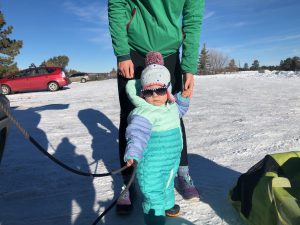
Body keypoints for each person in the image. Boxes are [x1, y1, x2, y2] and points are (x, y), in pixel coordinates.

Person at [108, 0, 205, 213]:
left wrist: (189, 66)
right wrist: (122, 52)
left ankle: (181, 172)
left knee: (172, 113)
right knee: (131, 115)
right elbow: (117, 4)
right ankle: (129, 181)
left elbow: (192, 19)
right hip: (134, 49)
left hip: (170, 52)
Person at [124, 53, 190, 224]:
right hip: (151, 165)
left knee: (167, 184)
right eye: (149, 91)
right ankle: (155, 220)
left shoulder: (170, 106)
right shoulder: (143, 113)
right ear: (142, 92)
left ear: (167, 90)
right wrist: (133, 153)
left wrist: (183, 98)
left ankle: (168, 205)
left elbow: (179, 111)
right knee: (153, 194)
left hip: (169, 161)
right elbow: (136, 135)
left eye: (160, 90)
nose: (155, 95)